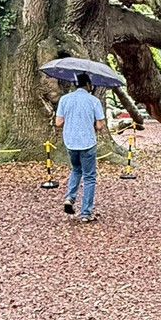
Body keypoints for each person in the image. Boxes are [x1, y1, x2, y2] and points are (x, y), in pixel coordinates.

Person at [54, 72, 105, 222]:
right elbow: (100, 124)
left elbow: (58, 122)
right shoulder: (94, 101)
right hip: (87, 143)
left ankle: (70, 197)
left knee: (76, 169)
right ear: (88, 85)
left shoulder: (64, 99)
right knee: (89, 177)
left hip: (70, 142)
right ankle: (85, 213)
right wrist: (93, 125)